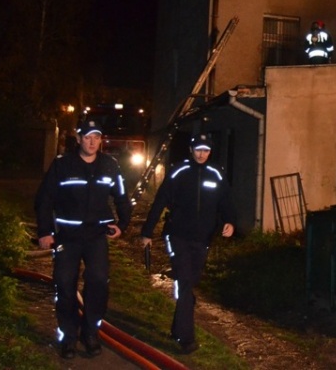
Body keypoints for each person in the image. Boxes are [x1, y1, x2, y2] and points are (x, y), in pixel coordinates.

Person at [34, 119, 132, 359]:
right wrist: (45, 232)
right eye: (87, 137)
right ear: (78, 139)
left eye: (96, 137)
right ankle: (68, 336)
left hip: (97, 236)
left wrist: (122, 225)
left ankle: (90, 333)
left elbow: (122, 198)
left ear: (101, 140)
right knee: (65, 284)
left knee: (98, 283)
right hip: (68, 236)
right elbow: (44, 200)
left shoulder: (110, 165)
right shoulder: (62, 165)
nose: (92, 141)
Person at [140, 133, 235, 354]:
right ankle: (186, 338)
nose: (202, 154)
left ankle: (177, 327)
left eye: (206, 150)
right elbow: (160, 201)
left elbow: (226, 201)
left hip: (202, 239)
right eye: (198, 150)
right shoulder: (178, 171)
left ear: (210, 151)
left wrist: (230, 222)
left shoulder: (216, 174)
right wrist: (147, 232)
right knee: (183, 282)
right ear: (191, 150)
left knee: (190, 283)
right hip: (177, 236)